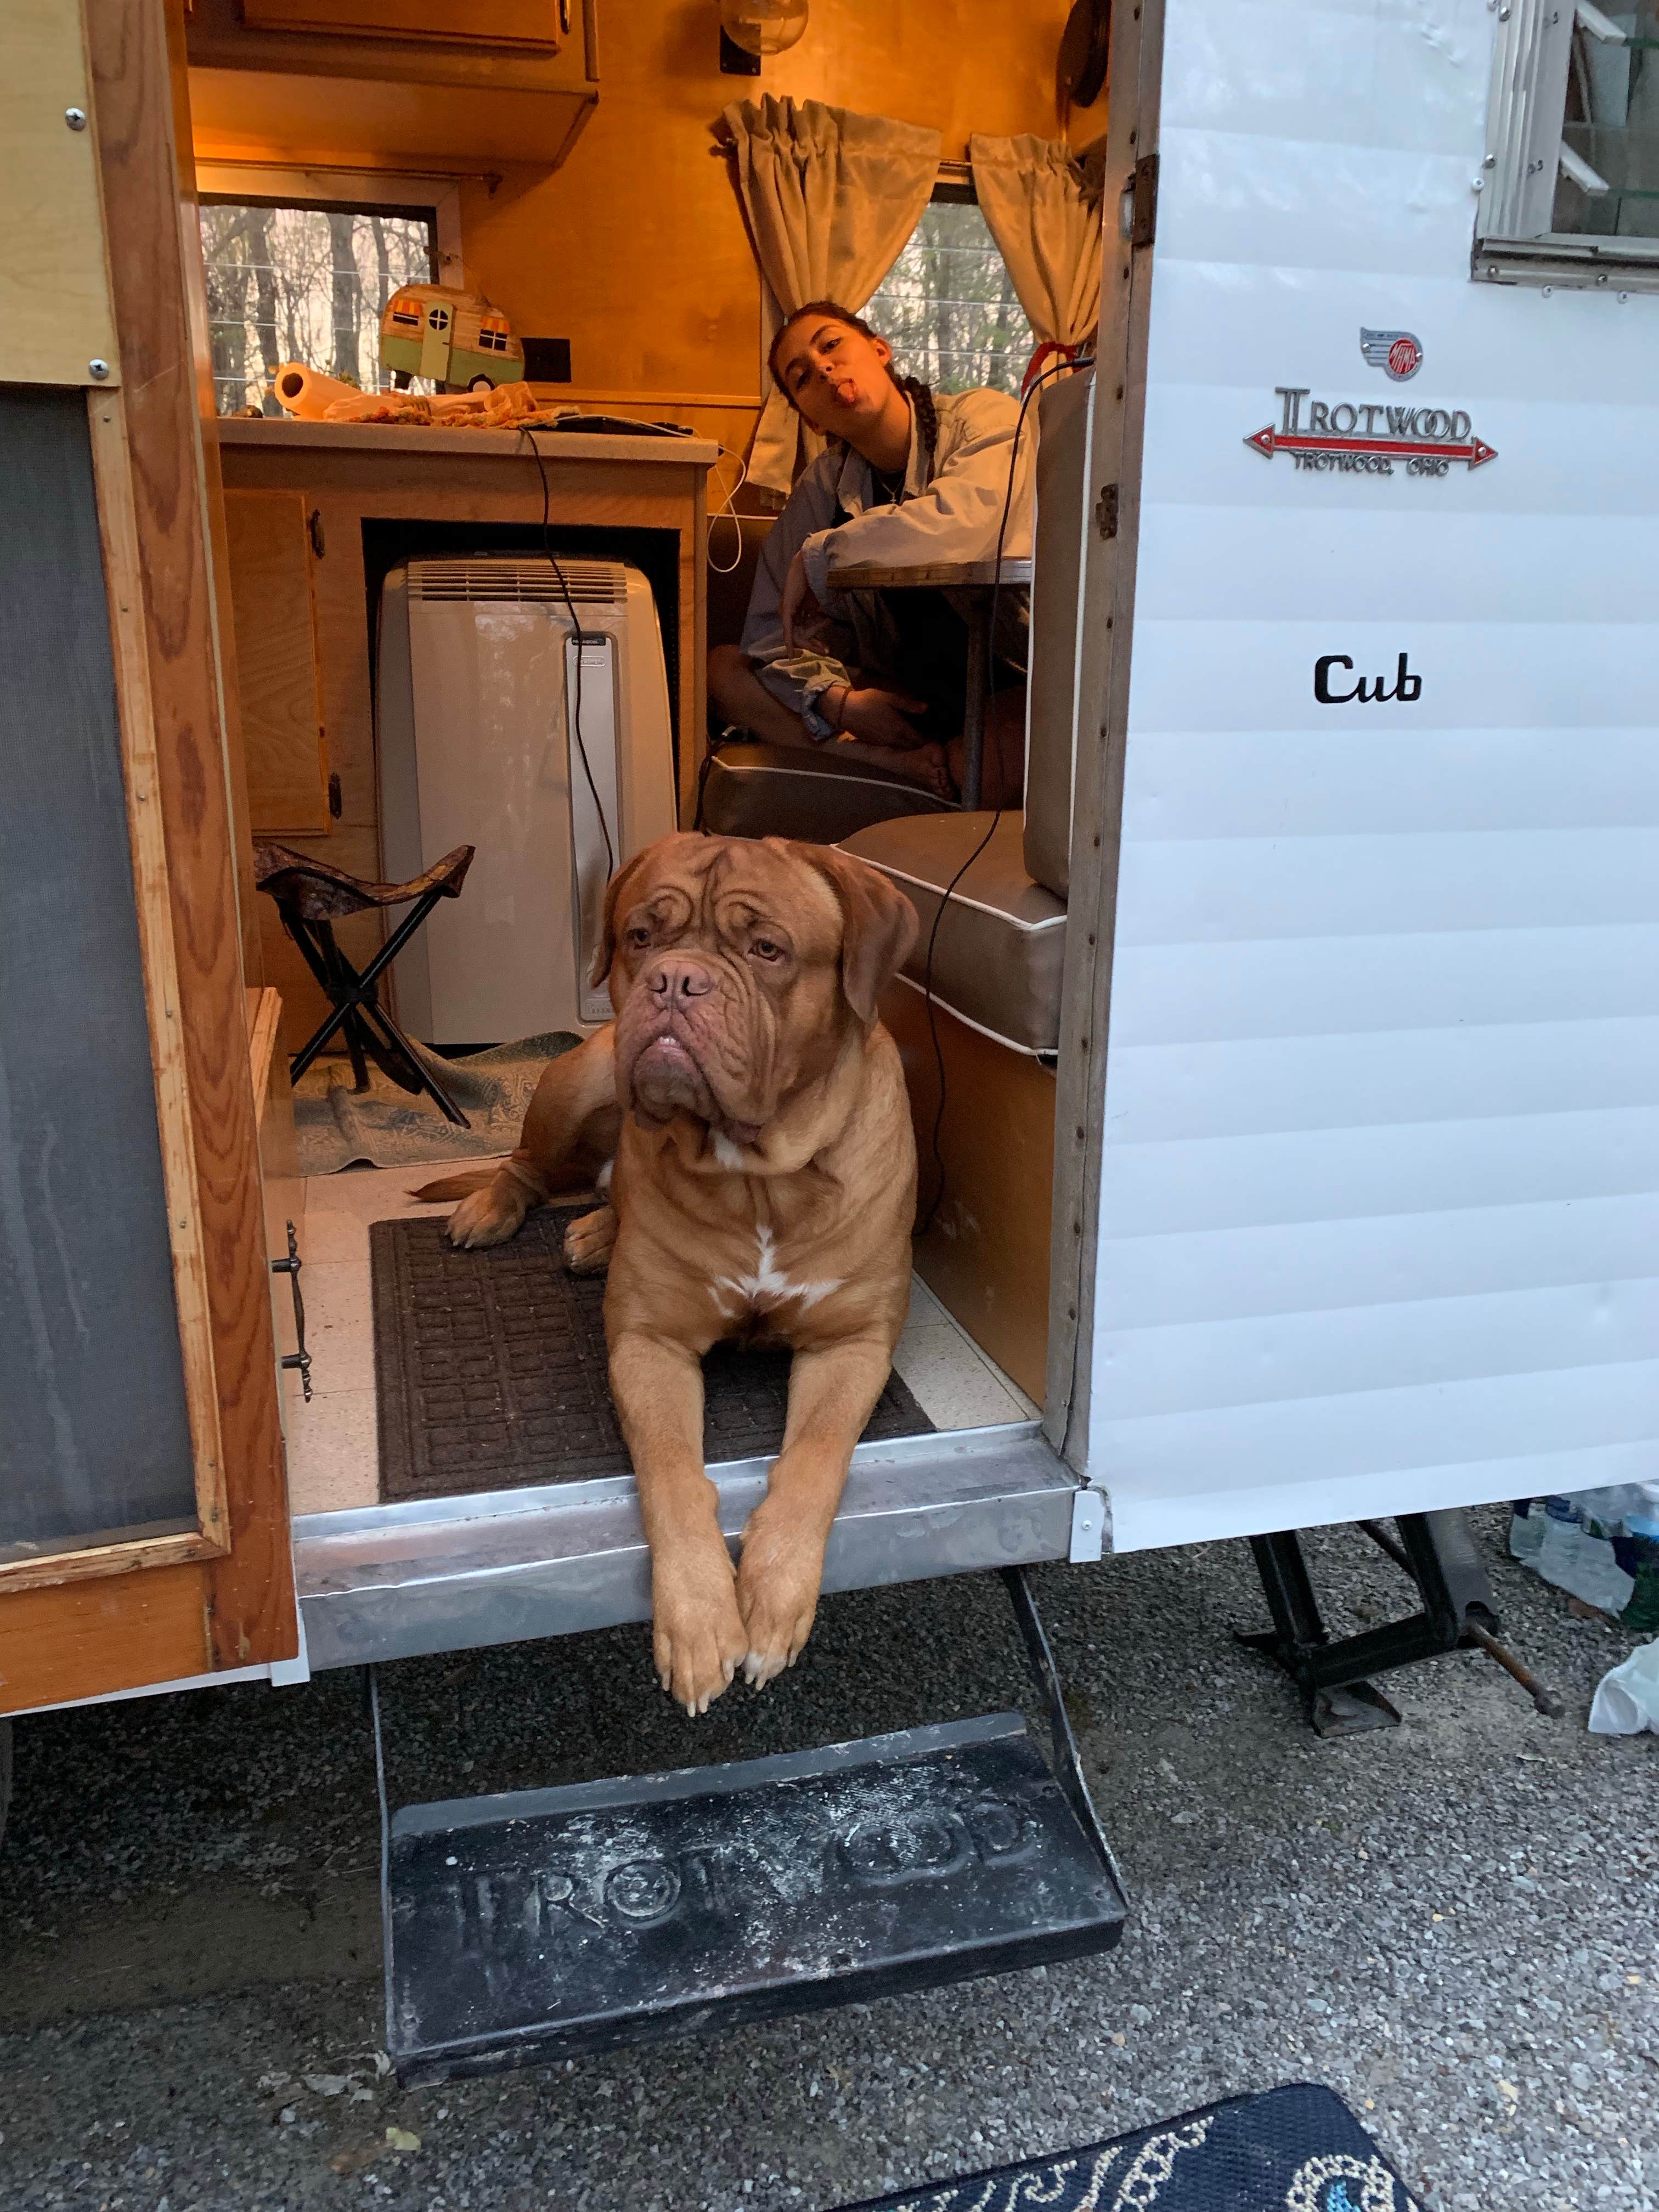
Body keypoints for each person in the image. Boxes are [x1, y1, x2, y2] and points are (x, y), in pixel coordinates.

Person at [707, 301, 1035, 808]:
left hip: (1006, 683)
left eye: (831, 344)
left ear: (880, 350)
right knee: (725, 671)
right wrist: (840, 704)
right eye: (802, 378)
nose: (823, 368)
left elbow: (969, 527)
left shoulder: (983, 415)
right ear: (811, 421)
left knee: (978, 767)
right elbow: (770, 636)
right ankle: (888, 764)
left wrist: (823, 557)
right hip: (897, 692)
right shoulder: (823, 484)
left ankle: (946, 762)